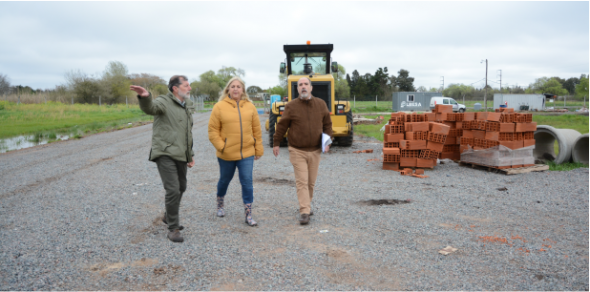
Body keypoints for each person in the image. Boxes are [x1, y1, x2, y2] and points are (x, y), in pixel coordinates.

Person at [130, 75, 195, 243]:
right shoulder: (163, 101)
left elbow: (187, 133)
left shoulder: (187, 104)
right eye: (186, 85)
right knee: (173, 189)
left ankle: (168, 216)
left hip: (181, 153)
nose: (189, 88)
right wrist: (145, 98)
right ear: (175, 88)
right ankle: (173, 228)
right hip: (165, 152)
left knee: (182, 186)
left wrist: (190, 155)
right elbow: (150, 108)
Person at [272, 77, 332, 225]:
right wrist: (276, 142)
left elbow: (328, 125)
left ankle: (307, 204)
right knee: (302, 182)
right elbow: (282, 125)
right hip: (297, 150)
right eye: (300, 85)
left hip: (315, 151)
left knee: (311, 182)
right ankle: (304, 211)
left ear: (311, 88)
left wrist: (328, 141)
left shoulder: (321, 104)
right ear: (297, 89)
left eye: (306, 84)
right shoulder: (291, 106)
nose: (303, 87)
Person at [208, 77, 263, 226]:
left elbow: (257, 130)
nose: (236, 89)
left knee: (247, 181)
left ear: (243, 90)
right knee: (225, 180)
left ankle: (248, 214)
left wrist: (258, 149)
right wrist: (222, 146)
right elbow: (213, 130)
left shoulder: (250, 107)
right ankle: (220, 203)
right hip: (226, 153)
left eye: (239, 86)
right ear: (228, 90)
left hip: (247, 152)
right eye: (233, 86)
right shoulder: (219, 107)